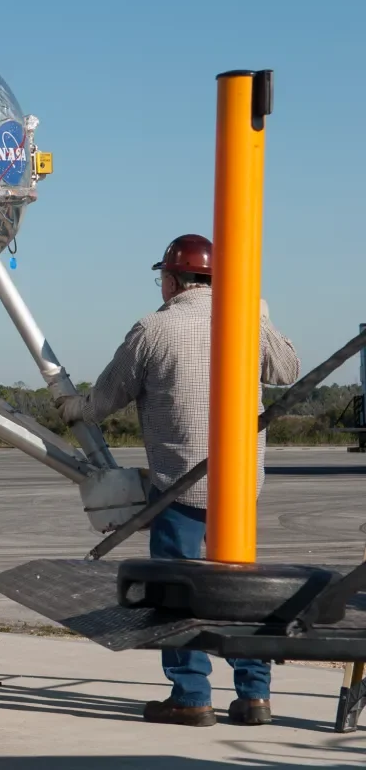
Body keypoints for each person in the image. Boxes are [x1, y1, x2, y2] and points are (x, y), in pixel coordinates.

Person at [56, 234, 301, 728]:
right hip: (239, 490)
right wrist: (261, 315)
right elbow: (289, 371)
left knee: (178, 593)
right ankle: (255, 695)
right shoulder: (246, 317)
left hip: (179, 490)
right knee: (244, 594)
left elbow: (104, 400)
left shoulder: (153, 329)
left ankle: (191, 696)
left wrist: (71, 408)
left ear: (172, 280)